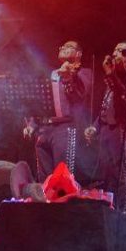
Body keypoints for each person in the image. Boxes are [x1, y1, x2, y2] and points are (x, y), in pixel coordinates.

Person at [85, 41, 126, 211]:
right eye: (114, 50)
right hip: (107, 131)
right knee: (108, 175)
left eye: (121, 51)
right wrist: (95, 126)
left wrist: (111, 75)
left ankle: (125, 213)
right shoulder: (115, 76)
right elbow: (107, 106)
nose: (115, 54)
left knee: (123, 175)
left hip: (123, 130)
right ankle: (110, 211)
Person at [29, 41, 94, 181]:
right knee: (44, 176)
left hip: (65, 127)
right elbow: (39, 101)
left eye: (68, 47)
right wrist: (32, 123)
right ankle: (45, 201)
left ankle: (63, 201)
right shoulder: (51, 73)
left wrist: (68, 77)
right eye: (62, 47)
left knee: (62, 173)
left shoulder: (84, 73)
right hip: (44, 128)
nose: (63, 48)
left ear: (78, 54)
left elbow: (78, 96)